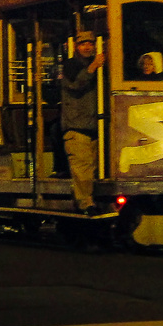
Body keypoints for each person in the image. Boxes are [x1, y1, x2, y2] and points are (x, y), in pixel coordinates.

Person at [60, 30, 104, 216]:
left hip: (96, 126)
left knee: (89, 169)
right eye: (83, 44)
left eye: (90, 44)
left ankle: (86, 200)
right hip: (77, 127)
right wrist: (93, 67)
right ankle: (85, 203)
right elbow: (75, 86)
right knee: (83, 169)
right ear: (76, 46)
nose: (87, 47)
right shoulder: (71, 65)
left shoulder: (101, 67)